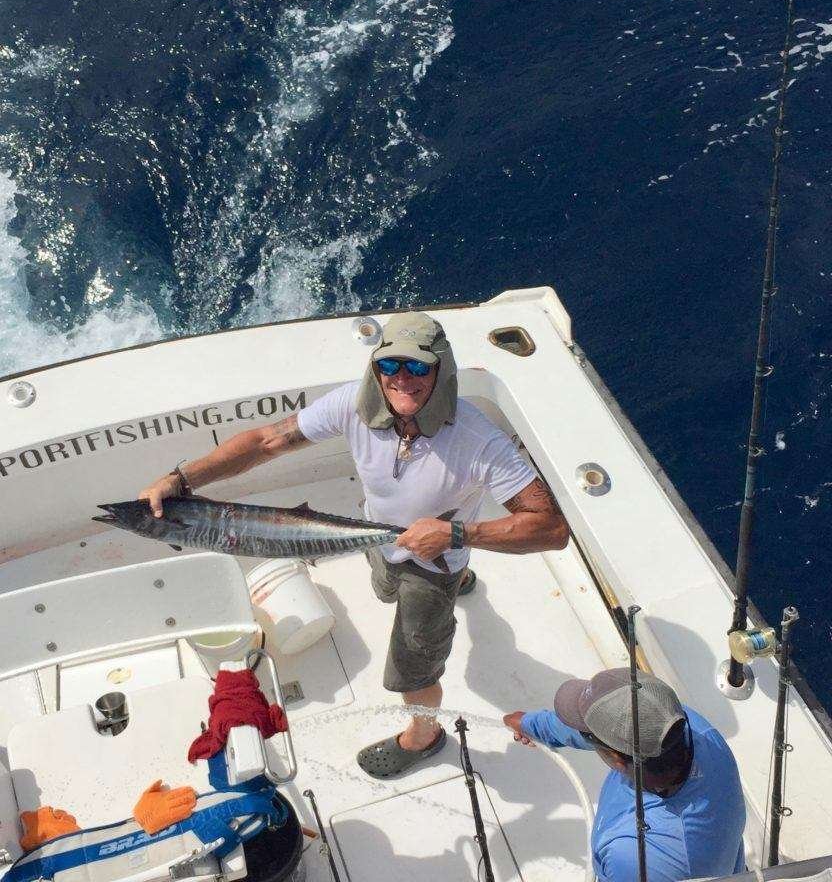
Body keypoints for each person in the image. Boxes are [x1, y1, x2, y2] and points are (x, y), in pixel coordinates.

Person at [140, 311, 569, 777]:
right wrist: (180, 478)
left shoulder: (478, 440)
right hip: (376, 534)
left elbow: (550, 527)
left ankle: (424, 736)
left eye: (418, 368)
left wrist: (457, 534)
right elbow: (267, 441)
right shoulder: (353, 404)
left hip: (435, 562)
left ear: (441, 368)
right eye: (390, 366)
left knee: (411, 668)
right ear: (376, 368)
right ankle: (455, 575)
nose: (402, 379)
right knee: (384, 586)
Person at [503, 669, 746, 882]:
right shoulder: (686, 725)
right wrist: (530, 724)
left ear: (616, 758)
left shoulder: (632, 856)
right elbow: (597, 732)